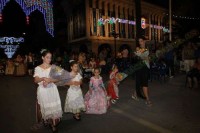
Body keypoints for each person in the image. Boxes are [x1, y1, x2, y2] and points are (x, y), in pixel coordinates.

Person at [32, 49, 62, 132]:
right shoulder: (37, 68)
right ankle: (46, 120)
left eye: (50, 58)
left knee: (53, 108)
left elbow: (59, 78)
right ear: (42, 57)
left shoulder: (54, 67)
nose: (49, 59)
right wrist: (43, 78)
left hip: (52, 90)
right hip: (43, 91)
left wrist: (50, 80)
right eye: (47, 57)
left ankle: (53, 124)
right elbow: (35, 80)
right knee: (45, 107)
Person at [132, 37, 152, 106]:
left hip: (145, 67)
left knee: (141, 83)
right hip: (139, 68)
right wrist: (138, 54)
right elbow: (136, 57)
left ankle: (135, 94)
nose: (140, 42)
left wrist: (148, 59)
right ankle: (147, 99)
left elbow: (148, 58)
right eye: (139, 41)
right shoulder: (138, 49)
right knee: (144, 84)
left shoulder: (147, 49)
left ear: (144, 41)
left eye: (141, 41)